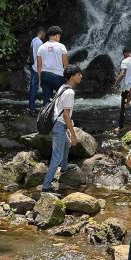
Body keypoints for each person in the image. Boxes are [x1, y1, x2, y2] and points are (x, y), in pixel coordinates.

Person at [42, 64, 82, 193]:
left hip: (56, 122)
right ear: (72, 77)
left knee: (67, 143)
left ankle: (64, 167)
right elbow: (65, 115)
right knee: (56, 157)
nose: (81, 76)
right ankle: (46, 186)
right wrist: (73, 133)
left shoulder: (63, 87)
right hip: (59, 125)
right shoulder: (69, 92)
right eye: (78, 74)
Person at [37, 26, 69, 106]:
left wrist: (40, 79)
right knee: (61, 100)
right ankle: (58, 114)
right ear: (56, 35)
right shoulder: (61, 47)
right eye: (59, 36)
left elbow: (39, 66)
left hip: (45, 76)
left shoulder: (41, 47)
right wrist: (66, 78)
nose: (60, 38)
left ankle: (45, 113)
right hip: (58, 76)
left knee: (46, 102)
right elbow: (66, 65)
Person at [28, 26, 46, 115]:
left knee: (32, 89)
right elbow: (40, 57)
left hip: (32, 66)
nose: (45, 35)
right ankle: (32, 110)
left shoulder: (33, 40)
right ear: (41, 32)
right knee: (34, 89)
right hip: (36, 68)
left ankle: (31, 108)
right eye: (44, 34)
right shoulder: (39, 42)